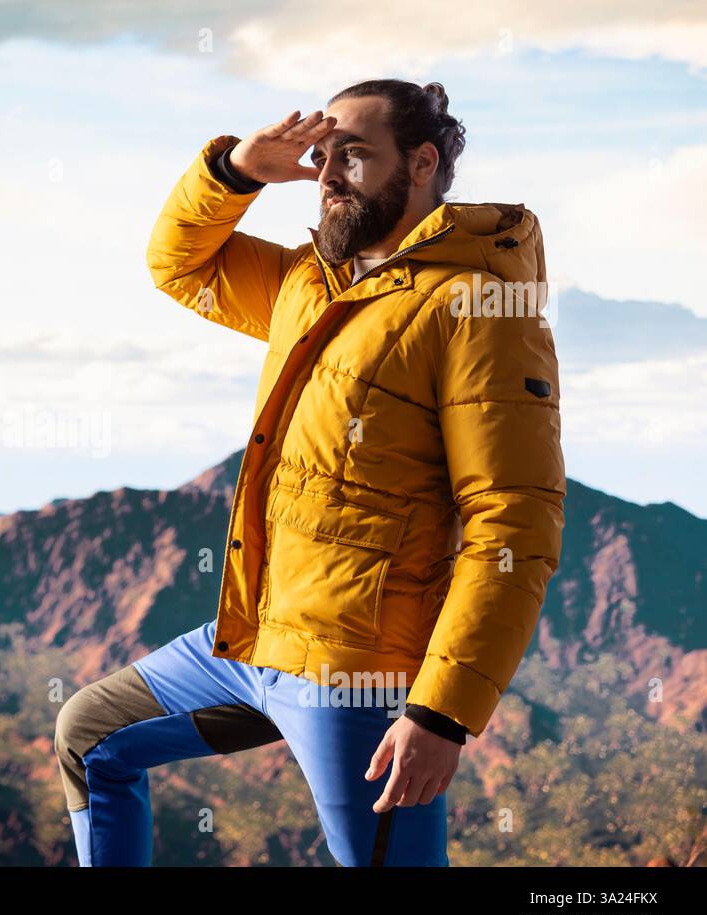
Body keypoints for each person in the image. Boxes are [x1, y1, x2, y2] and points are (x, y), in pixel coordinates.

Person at [53, 79, 566, 866]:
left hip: (354, 676)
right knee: (90, 735)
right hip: (253, 643)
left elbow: (514, 524)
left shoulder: (476, 309)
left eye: (353, 156)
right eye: (322, 156)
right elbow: (178, 264)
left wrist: (441, 715)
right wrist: (237, 171)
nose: (327, 174)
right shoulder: (308, 283)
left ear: (422, 163)